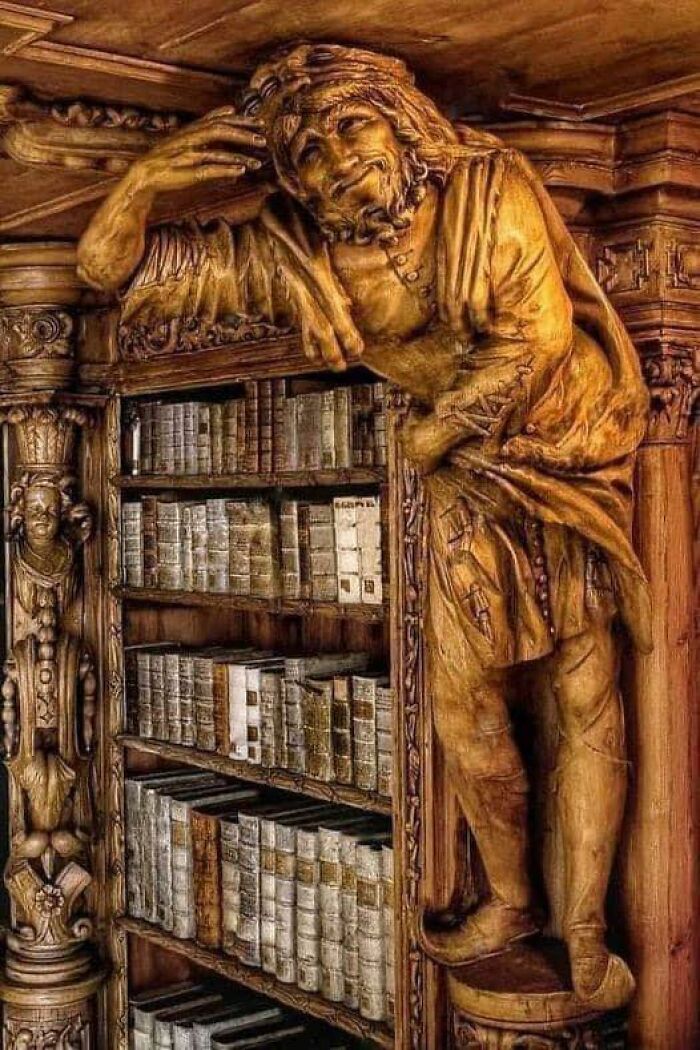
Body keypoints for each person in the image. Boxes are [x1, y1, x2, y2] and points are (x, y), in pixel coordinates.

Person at [77, 42, 651, 1011]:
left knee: (584, 684)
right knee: (462, 707)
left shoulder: (485, 186)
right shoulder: (291, 250)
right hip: (465, 477)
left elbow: (538, 337)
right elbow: (112, 273)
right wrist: (144, 180)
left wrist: (428, 436)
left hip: (565, 447)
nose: (337, 162)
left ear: (400, 121)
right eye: (305, 153)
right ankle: (513, 901)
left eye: (350, 128)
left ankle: (585, 928)